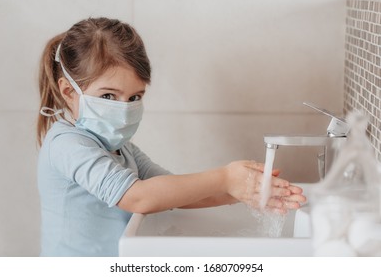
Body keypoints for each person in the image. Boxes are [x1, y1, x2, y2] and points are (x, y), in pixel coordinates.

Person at [37, 17, 306, 257]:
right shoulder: (67, 144)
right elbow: (138, 197)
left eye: (135, 97)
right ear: (69, 92)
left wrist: (242, 191)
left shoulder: (121, 148)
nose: (123, 108)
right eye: (108, 96)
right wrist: (226, 177)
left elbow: (173, 192)